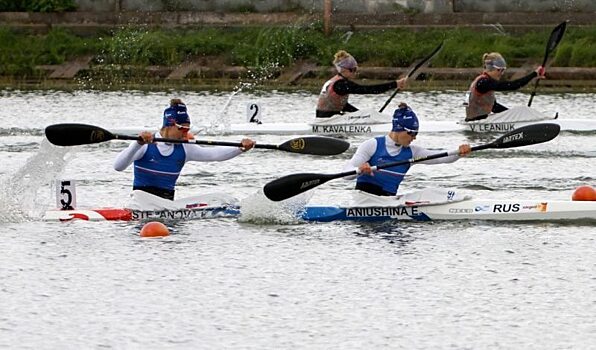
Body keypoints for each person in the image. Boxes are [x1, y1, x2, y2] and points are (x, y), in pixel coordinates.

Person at [114, 98, 256, 200]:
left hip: (167, 208)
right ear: (169, 125)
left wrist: (240, 148)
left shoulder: (185, 148)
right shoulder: (145, 145)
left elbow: (213, 154)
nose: (185, 133)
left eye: (188, 129)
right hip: (139, 204)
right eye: (182, 129)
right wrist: (137, 144)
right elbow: (118, 166)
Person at [344, 103, 471, 196]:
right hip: (363, 202)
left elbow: (440, 158)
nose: (414, 138)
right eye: (412, 133)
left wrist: (459, 153)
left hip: (388, 203)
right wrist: (359, 170)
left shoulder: (412, 152)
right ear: (399, 129)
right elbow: (345, 175)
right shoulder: (372, 145)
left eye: (416, 134)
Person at [316, 50, 408, 118]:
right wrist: (395, 84)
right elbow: (369, 90)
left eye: (356, 69)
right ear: (343, 69)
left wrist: (364, 115)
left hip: (326, 117)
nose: (355, 72)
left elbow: (341, 105)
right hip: (328, 121)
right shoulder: (341, 84)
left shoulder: (335, 81)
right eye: (353, 70)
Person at [465, 52, 545, 121]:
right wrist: (534, 74)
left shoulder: (482, 81)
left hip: (476, 121)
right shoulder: (484, 82)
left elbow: (494, 107)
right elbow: (513, 86)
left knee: (518, 112)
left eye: (503, 70)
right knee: (522, 109)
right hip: (476, 123)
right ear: (492, 68)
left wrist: (512, 115)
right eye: (500, 70)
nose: (502, 73)